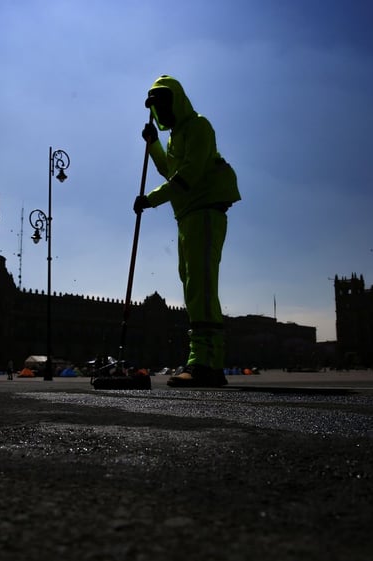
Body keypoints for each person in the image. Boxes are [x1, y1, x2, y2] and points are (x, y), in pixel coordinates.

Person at [134, 75, 241, 387]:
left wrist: (150, 200)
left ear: (176, 101)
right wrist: (153, 144)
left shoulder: (198, 126)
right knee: (192, 282)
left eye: (163, 104)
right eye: (154, 107)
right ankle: (201, 359)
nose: (159, 111)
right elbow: (169, 169)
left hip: (205, 209)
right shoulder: (174, 136)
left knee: (201, 283)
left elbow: (187, 175)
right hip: (187, 215)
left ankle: (207, 361)